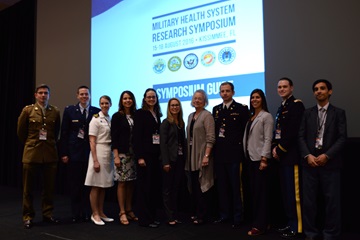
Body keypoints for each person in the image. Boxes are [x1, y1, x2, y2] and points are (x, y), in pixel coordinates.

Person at [298, 79, 347, 240]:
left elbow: (342, 138)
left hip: (330, 164)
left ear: (329, 91)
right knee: (309, 202)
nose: (319, 91)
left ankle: (330, 234)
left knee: (332, 202)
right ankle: (311, 233)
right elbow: (301, 137)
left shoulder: (338, 113)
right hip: (310, 163)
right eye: (316, 89)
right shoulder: (307, 113)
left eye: (322, 88)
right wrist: (308, 155)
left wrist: (327, 155)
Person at [17, 84, 61, 229]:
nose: (43, 96)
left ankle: (47, 214)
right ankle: (28, 216)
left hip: (49, 154)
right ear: (36, 95)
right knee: (28, 189)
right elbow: (21, 132)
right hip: (31, 154)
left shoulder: (54, 111)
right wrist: (30, 144)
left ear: (49, 95)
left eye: (46, 93)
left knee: (48, 188)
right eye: (40, 93)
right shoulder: (28, 110)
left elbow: (56, 131)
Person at [60, 86, 100, 222]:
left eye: (86, 94)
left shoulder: (96, 111)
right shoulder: (70, 111)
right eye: (82, 94)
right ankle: (76, 213)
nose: (84, 96)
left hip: (90, 153)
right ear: (77, 96)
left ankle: (87, 212)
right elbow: (64, 133)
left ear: (90, 96)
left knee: (88, 185)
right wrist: (64, 153)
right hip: (74, 153)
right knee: (75, 184)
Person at [212, 82, 249, 229]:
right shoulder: (216, 110)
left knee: (236, 187)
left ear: (233, 92)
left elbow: (246, 132)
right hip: (220, 155)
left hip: (235, 154)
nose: (225, 93)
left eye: (227, 91)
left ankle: (238, 217)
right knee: (222, 187)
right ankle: (224, 215)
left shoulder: (241, 109)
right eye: (222, 91)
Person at [271, 77, 305, 238]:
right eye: (279, 87)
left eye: (285, 87)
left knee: (294, 194)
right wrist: (275, 149)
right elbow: (278, 131)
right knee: (286, 194)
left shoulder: (296, 105)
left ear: (291, 88)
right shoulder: (281, 107)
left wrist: (280, 149)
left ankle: (297, 227)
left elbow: (292, 132)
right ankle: (289, 223)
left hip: (291, 156)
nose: (282, 89)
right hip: (281, 157)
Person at [243, 89, 274, 236]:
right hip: (250, 159)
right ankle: (262, 221)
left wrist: (264, 158)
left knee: (261, 194)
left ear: (262, 99)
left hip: (260, 161)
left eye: (257, 97)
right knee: (255, 193)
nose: (254, 100)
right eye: (252, 97)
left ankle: (259, 226)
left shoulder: (266, 116)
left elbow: (268, 139)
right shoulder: (251, 117)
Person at [132, 88, 163, 228]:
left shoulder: (157, 113)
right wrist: (140, 157)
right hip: (144, 157)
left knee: (152, 188)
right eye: (149, 97)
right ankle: (144, 219)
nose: (151, 99)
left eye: (154, 97)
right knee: (144, 188)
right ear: (144, 98)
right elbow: (137, 137)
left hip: (155, 156)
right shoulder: (139, 113)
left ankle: (151, 217)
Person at [185, 89, 215, 225]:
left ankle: (203, 215)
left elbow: (211, 137)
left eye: (200, 99)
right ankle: (197, 212)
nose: (197, 100)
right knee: (195, 187)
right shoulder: (191, 116)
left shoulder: (207, 115)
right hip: (191, 155)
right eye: (195, 98)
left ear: (204, 101)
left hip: (202, 155)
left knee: (203, 185)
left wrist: (206, 155)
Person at [84, 95, 114, 226]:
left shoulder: (109, 118)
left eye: (107, 103)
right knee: (96, 185)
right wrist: (95, 160)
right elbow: (92, 141)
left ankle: (101, 212)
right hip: (98, 151)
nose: (104, 105)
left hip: (108, 152)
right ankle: (94, 213)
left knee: (103, 186)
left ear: (110, 104)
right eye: (102, 103)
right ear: (99, 104)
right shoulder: (95, 119)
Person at [111, 90, 138, 225]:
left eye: (129, 98)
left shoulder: (136, 115)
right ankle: (121, 211)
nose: (127, 100)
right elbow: (114, 138)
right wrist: (116, 156)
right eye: (125, 98)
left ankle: (129, 209)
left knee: (131, 182)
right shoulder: (117, 116)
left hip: (134, 154)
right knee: (122, 182)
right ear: (121, 101)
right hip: (121, 154)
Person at [160, 98, 186, 226]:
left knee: (176, 188)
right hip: (169, 161)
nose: (175, 107)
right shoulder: (166, 123)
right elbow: (163, 144)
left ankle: (175, 215)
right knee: (167, 190)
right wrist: (165, 162)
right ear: (169, 108)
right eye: (172, 105)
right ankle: (169, 216)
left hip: (180, 160)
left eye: (177, 105)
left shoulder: (181, 122)